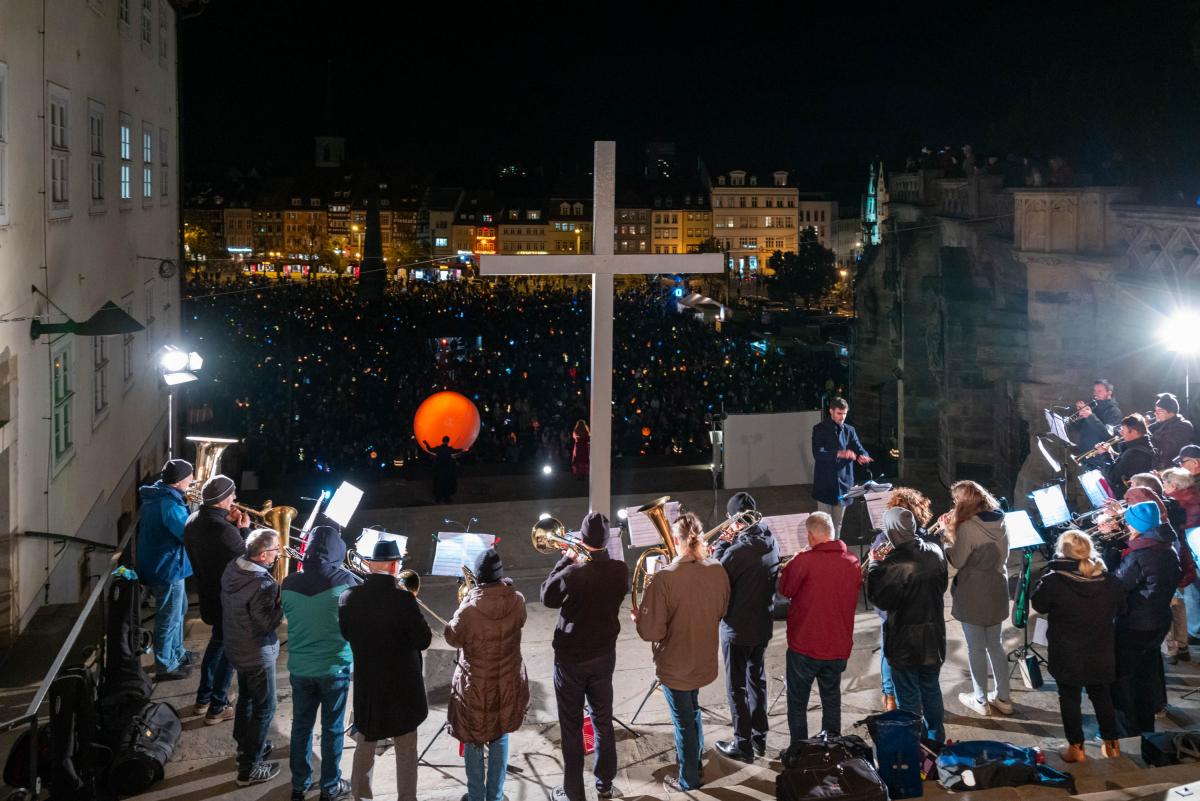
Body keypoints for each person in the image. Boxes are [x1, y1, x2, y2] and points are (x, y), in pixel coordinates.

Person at [633, 512, 730, 794]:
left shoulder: (665, 577)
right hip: (704, 657)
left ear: (676, 540)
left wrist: (640, 618)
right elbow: (721, 611)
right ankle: (696, 757)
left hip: (676, 664)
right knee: (691, 710)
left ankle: (689, 778)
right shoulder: (717, 569)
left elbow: (650, 632)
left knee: (683, 723)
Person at [540, 512, 628, 801]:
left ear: (581, 537)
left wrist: (566, 559)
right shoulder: (619, 570)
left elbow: (547, 596)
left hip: (571, 660)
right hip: (604, 655)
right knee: (603, 721)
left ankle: (574, 792)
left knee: (571, 726)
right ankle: (604, 785)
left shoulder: (574, 574)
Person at [338, 537, 431, 801]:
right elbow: (423, 640)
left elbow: (346, 633)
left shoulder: (348, 597)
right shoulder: (403, 599)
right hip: (403, 689)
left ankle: (361, 797)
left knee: (365, 746)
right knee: (406, 750)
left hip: (370, 687)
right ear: (393, 566)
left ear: (370, 565)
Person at [282, 526, 362, 801]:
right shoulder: (347, 583)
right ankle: (330, 786)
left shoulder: (289, 583)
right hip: (335, 667)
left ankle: (299, 785)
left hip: (300, 668)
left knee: (301, 726)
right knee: (332, 728)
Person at [1031, 531, 1126, 762]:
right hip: (1101, 648)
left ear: (1063, 552)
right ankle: (1112, 745)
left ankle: (1076, 748)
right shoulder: (1111, 581)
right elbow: (1122, 609)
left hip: (1067, 650)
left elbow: (1039, 605)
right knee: (1101, 694)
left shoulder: (1054, 581)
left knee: (1070, 697)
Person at [445, 548, 529, 801]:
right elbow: (520, 621)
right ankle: (495, 795)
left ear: (479, 577)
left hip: (476, 687)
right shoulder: (518, 600)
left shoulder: (469, 610)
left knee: (473, 738)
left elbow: (452, 637)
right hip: (508, 683)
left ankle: (475, 796)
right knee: (500, 734)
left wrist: (462, 603)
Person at [777, 512, 861, 745]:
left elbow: (786, 589)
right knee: (831, 698)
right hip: (838, 645)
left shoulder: (804, 561)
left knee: (797, 703)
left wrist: (793, 562)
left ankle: (800, 752)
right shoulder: (852, 561)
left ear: (811, 536)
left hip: (805, 645)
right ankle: (831, 747)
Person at [711, 492, 779, 762]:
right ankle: (760, 739)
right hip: (762, 625)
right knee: (757, 682)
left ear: (737, 520)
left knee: (736, 687)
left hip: (737, 629)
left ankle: (742, 744)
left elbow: (716, 576)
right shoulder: (770, 539)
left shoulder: (738, 551)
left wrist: (721, 545)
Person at [940, 479, 1013, 717]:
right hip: (997, 588)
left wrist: (945, 536)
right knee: (995, 646)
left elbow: (958, 560)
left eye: (956, 500)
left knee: (975, 649)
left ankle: (980, 699)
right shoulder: (1001, 520)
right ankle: (1004, 698)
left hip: (973, 592)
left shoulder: (969, 527)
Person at [1110, 502, 1181, 736]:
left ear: (1139, 525)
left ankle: (1128, 730)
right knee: (1146, 674)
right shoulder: (1167, 548)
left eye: (1129, 522)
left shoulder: (1140, 555)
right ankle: (1146, 726)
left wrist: (1110, 558)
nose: (1126, 525)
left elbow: (1118, 586)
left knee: (1125, 678)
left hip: (1136, 624)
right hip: (1158, 620)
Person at [183, 474, 249, 723]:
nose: (235, 499)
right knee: (229, 650)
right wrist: (243, 529)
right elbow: (247, 560)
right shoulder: (223, 530)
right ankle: (218, 706)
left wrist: (229, 524)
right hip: (228, 598)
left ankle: (203, 699)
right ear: (222, 499)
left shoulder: (192, 520)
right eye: (232, 495)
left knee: (217, 644)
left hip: (208, 594)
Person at [222, 528, 285, 786]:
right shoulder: (263, 584)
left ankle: (244, 748)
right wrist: (282, 604)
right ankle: (249, 769)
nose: (278, 554)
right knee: (265, 707)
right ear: (261, 555)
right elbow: (266, 623)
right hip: (257, 653)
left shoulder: (233, 569)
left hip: (237, 646)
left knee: (247, 698)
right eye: (275, 550)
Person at [872, 487, 936, 711]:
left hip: (894, 610)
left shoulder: (883, 538)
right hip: (923, 610)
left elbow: (878, 588)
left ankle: (890, 696)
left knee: (888, 652)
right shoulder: (925, 539)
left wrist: (873, 563)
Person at [137, 458, 195, 681]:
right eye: (189, 477)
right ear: (179, 481)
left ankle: (177, 654)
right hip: (167, 567)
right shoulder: (168, 504)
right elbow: (185, 533)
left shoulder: (161, 495)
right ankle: (165, 664)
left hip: (168, 565)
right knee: (169, 616)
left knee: (178, 612)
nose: (192, 481)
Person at [810, 397, 871, 532]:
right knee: (823, 526)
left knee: (838, 525)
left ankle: (835, 552)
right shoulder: (819, 429)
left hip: (844, 484)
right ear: (831, 411)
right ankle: (824, 552)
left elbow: (859, 447)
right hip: (825, 484)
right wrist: (839, 453)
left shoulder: (850, 430)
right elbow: (818, 454)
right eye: (839, 413)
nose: (842, 417)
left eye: (845, 414)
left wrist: (863, 455)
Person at [1163, 467, 1200, 649]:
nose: (1163, 487)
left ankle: (1194, 632)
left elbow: (1184, 526)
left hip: (1190, 550)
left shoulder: (1179, 502)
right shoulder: (1191, 494)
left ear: (1174, 485)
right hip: (1191, 549)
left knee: (1193, 593)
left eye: (1165, 483)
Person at [1067, 380, 1123, 470]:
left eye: (1099, 391)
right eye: (1095, 391)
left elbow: (1108, 435)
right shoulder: (1094, 407)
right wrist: (1079, 414)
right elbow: (1079, 428)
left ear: (1109, 393)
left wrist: (1090, 416)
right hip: (1084, 455)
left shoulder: (1114, 411)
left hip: (1100, 459)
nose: (1095, 394)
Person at [1099, 414, 1157, 492]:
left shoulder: (1135, 454)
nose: (1121, 433)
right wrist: (1111, 453)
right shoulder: (1140, 447)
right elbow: (1124, 465)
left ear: (1134, 432)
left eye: (1123, 430)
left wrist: (1105, 455)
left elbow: (1112, 477)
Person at [1150, 393, 1195, 471]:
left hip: (1170, 469)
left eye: (1159, 411)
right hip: (1157, 466)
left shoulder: (1183, 426)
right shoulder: (1157, 425)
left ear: (1171, 412)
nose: (1155, 413)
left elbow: (1167, 450)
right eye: (1155, 410)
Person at [422, 435, 467, 504]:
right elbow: (457, 450)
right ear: (448, 441)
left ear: (442, 441)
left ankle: (438, 498)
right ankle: (447, 497)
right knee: (446, 482)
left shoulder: (439, 448)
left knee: (439, 482)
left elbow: (430, 449)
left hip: (439, 469)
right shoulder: (449, 449)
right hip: (447, 470)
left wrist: (426, 443)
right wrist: (464, 449)